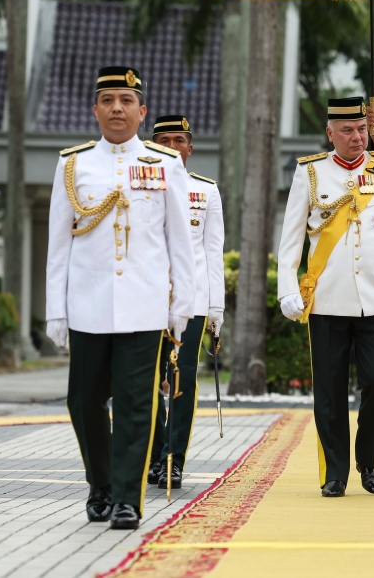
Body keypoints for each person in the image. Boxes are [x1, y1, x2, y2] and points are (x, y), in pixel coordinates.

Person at [45, 66, 194, 530]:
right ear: (95, 109)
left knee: (135, 403)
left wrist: (181, 307)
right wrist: (56, 310)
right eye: (107, 99)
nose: (116, 108)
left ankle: (128, 498)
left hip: (144, 306)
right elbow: (58, 244)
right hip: (87, 305)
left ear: (141, 111)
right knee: (83, 401)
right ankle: (101, 484)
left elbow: (179, 245)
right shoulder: (73, 165)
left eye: (126, 101)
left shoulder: (165, 165)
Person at [276, 96, 374, 498]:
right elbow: (290, 240)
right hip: (327, 299)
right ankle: (335, 472)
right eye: (347, 130)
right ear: (330, 133)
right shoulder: (310, 173)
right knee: (329, 388)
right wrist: (287, 286)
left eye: (361, 129)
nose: (356, 136)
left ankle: (368, 459)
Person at [144, 115, 225, 490]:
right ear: (152, 146)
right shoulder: (139, 189)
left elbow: (212, 254)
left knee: (182, 379)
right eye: (165, 140)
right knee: (146, 379)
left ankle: (172, 459)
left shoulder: (205, 192)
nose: (173, 147)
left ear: (190, 149)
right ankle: (153, 454)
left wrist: (216, 308)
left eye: (179, 140)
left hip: (190, 304)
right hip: (146, 301)